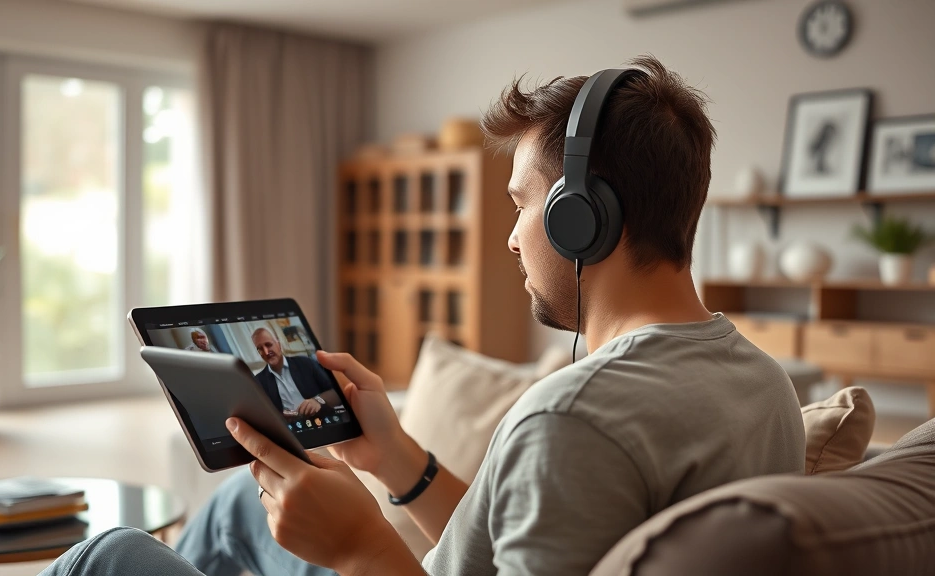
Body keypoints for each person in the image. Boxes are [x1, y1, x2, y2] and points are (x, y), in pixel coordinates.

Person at [39, 55, 805, 576]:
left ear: (584, 219)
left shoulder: (572, 417)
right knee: (243, 502)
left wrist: (361, 542)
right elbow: (507, 546)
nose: (510, 237)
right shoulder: (762, 384)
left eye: (522, 205)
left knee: (109, 554)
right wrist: (394, 455)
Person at [251, 327, 340, 420]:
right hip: (290, 430)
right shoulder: (258, 382)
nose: (266, 352)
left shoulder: (305, 363)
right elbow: (264, 416)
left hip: (323, 421)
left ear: (279, 344)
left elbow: (336, 392)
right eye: (260, 349)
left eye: (268, 345)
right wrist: (281, 417)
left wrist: (318, 401)